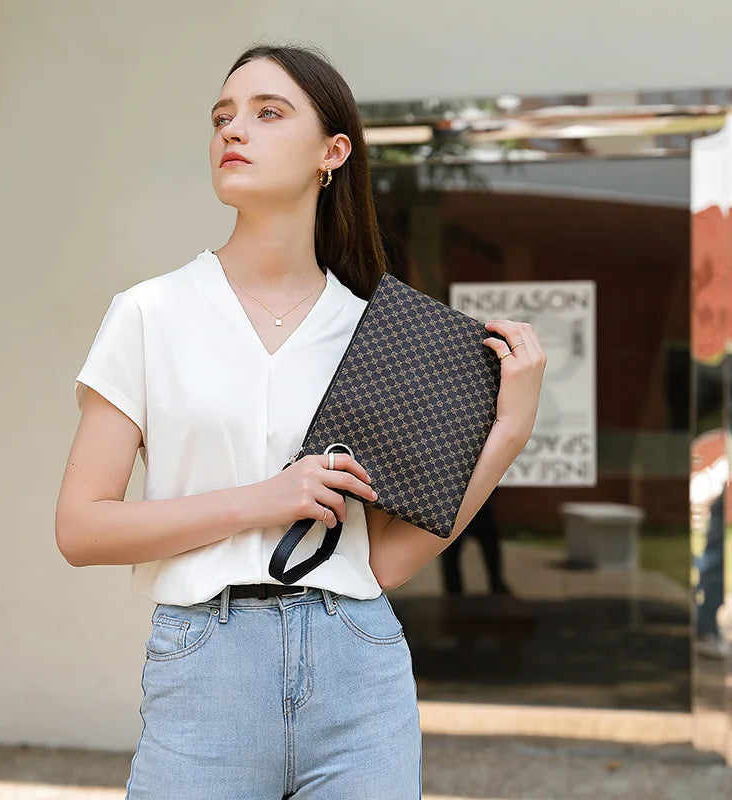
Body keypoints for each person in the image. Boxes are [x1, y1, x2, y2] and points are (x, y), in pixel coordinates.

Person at [55, 42, 546, 800]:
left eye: (268, 113)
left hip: (360, 670)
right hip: (205, 670)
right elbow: (81, 529)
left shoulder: (382, 335)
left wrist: (508, 431)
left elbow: (385, 564)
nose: (233, 130)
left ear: (332, 152)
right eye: (222, 116)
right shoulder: (149, 313)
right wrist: (263, 500)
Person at [440, 490, 512, 595]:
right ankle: (453, 589)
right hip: (458, 503)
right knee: (451, 547)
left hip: (477, 501)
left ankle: (496, 583)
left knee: (490, 542)